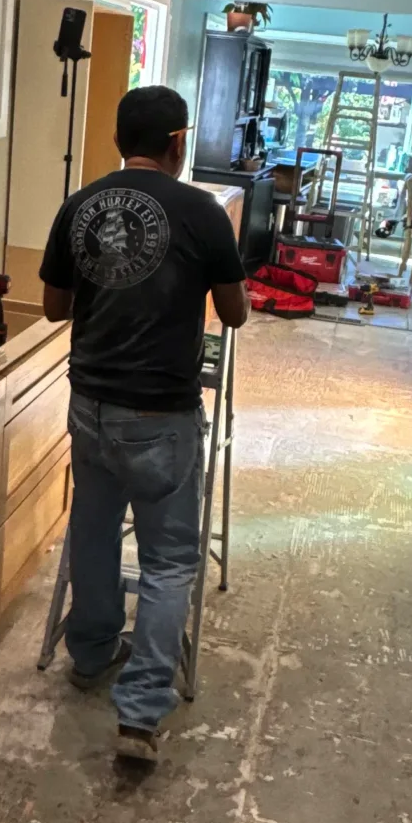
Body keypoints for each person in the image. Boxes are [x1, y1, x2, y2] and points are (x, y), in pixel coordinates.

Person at [40, 84, 249, 763]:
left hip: (90, 407)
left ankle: (92, 653)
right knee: (168, 561)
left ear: (119, 142)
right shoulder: (204, 212)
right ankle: (139, 716)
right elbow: (237, 313)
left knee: (94, 532)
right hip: (161, 414)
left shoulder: (78, 206)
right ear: (178, 143)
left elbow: (52, 307)